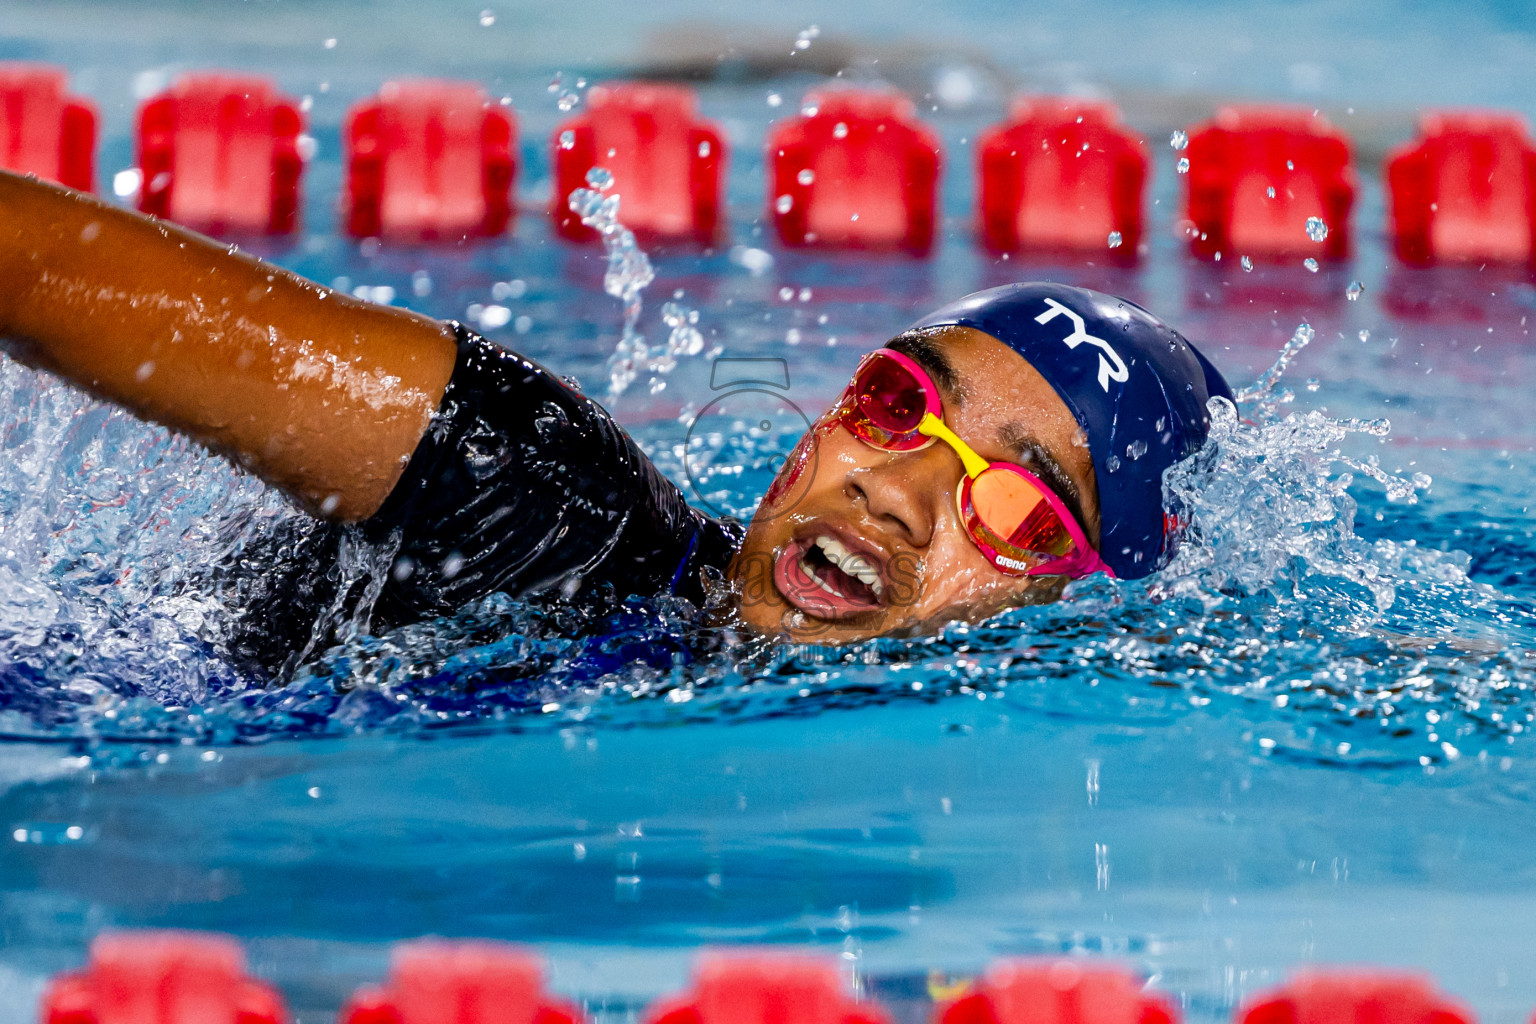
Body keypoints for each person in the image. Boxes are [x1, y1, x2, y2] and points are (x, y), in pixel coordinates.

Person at [0, 169, 1232, 670]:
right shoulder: (538, 500)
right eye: (896, 404)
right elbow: (41, 272)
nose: (892, 492)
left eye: (1013, 506)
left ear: (1081, 610)